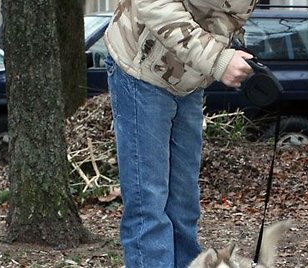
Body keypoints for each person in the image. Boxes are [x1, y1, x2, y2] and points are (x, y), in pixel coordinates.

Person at [103, 0, 258, 267]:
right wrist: (217, 60)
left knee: (184, 206)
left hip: (190, 78)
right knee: (148, 206)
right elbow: (152, 3)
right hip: (141, 71)